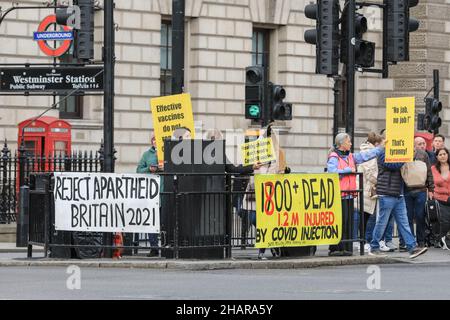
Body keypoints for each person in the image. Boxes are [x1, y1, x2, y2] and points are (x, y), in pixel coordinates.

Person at [327, 133, 384, 256]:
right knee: (340, 222)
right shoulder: (334, 157)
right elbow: (332, 172)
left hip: (349, 194)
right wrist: (348, 170)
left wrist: (380, 149)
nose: (351, 144)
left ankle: (346, 248)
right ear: (342, 144)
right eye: (349, 142)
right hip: (339, 195)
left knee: (347, 222)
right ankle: (336, 248)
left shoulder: (351, 156)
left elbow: (366, 156)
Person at [369, 142, 428, 259]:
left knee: (404, 222)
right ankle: (374, 246)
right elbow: (393, 165)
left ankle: (412, 248)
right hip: (386, 193)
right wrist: (405, 157)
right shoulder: (382, 153)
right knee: (382, 222)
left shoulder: (398, 154)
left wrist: (407, 155)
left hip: (398, 193)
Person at [244, 127, 286, 260]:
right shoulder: (256, 150)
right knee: (253, 219)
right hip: (254, 189)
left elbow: (280, 169)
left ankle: (262, 249)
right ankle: (270, 243)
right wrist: (252, 166)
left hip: (269, 192)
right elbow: (248, 165)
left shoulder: (277, 152)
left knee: (264, 221)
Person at [357, 132, 394, 253]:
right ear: (377, 143)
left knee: (371, 216)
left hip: (369, 188)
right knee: (372, 216)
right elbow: (371, 172)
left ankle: (370, 241)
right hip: (370, 188)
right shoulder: (370, 153)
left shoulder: (367, 151)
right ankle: (368, 241)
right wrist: (380, 180)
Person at [399, 137, 435, 249]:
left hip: (421, 190)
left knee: (420, 216)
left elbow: (429, 172)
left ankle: (421, 241)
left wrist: (431, 189)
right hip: (407, 189)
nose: (423, 145)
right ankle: (407, 241)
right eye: (420, 143)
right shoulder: (404, 153)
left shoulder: (424, 155)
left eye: (423, 143)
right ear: (413, 144)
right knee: (407, 216)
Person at [136, 133, 162, 257]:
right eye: (153, 139)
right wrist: (149, 169)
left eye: (157, 139)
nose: (155, 141)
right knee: (151, 222)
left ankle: (168, 246)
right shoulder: (147, 155)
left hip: (165, 191)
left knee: (165, 222)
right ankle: (154, 247)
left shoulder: (167, 153)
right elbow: (139, 170)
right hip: (152, 192)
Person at [431, 148, 450, 250]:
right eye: (440, 154)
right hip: (440, 198)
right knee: (445, 221)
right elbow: (431, 183)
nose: (443, 156)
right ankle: (440, 239)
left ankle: (443, 239)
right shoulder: (433, 169)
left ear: (447, 155)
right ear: (437, 157)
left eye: (444, 154)